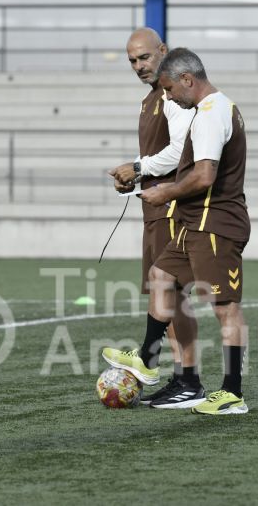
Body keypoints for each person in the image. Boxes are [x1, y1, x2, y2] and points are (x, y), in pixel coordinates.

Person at [112, 47, 251, 415]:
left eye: (171, 89)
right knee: (161, 276)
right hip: (196, 224)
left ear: (188, 80)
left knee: (226, 308)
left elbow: (205, 176)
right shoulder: (220, 107)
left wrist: (164, 192)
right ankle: (146, 358)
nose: (169, 97)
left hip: (215, 224)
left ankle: (232, 393)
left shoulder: (209, 114)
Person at [103, 28, 202, 409]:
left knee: (173, 293)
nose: (138, 66)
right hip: (154, 207)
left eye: (144, 57)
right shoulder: (152, 100)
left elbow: (181, 152)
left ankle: (185, 378)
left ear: (163, 51)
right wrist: (136, 174)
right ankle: (182, 378)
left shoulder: (174, 95)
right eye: (132, 60)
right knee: (169, 295)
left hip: (172, 208)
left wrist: (138, 167)